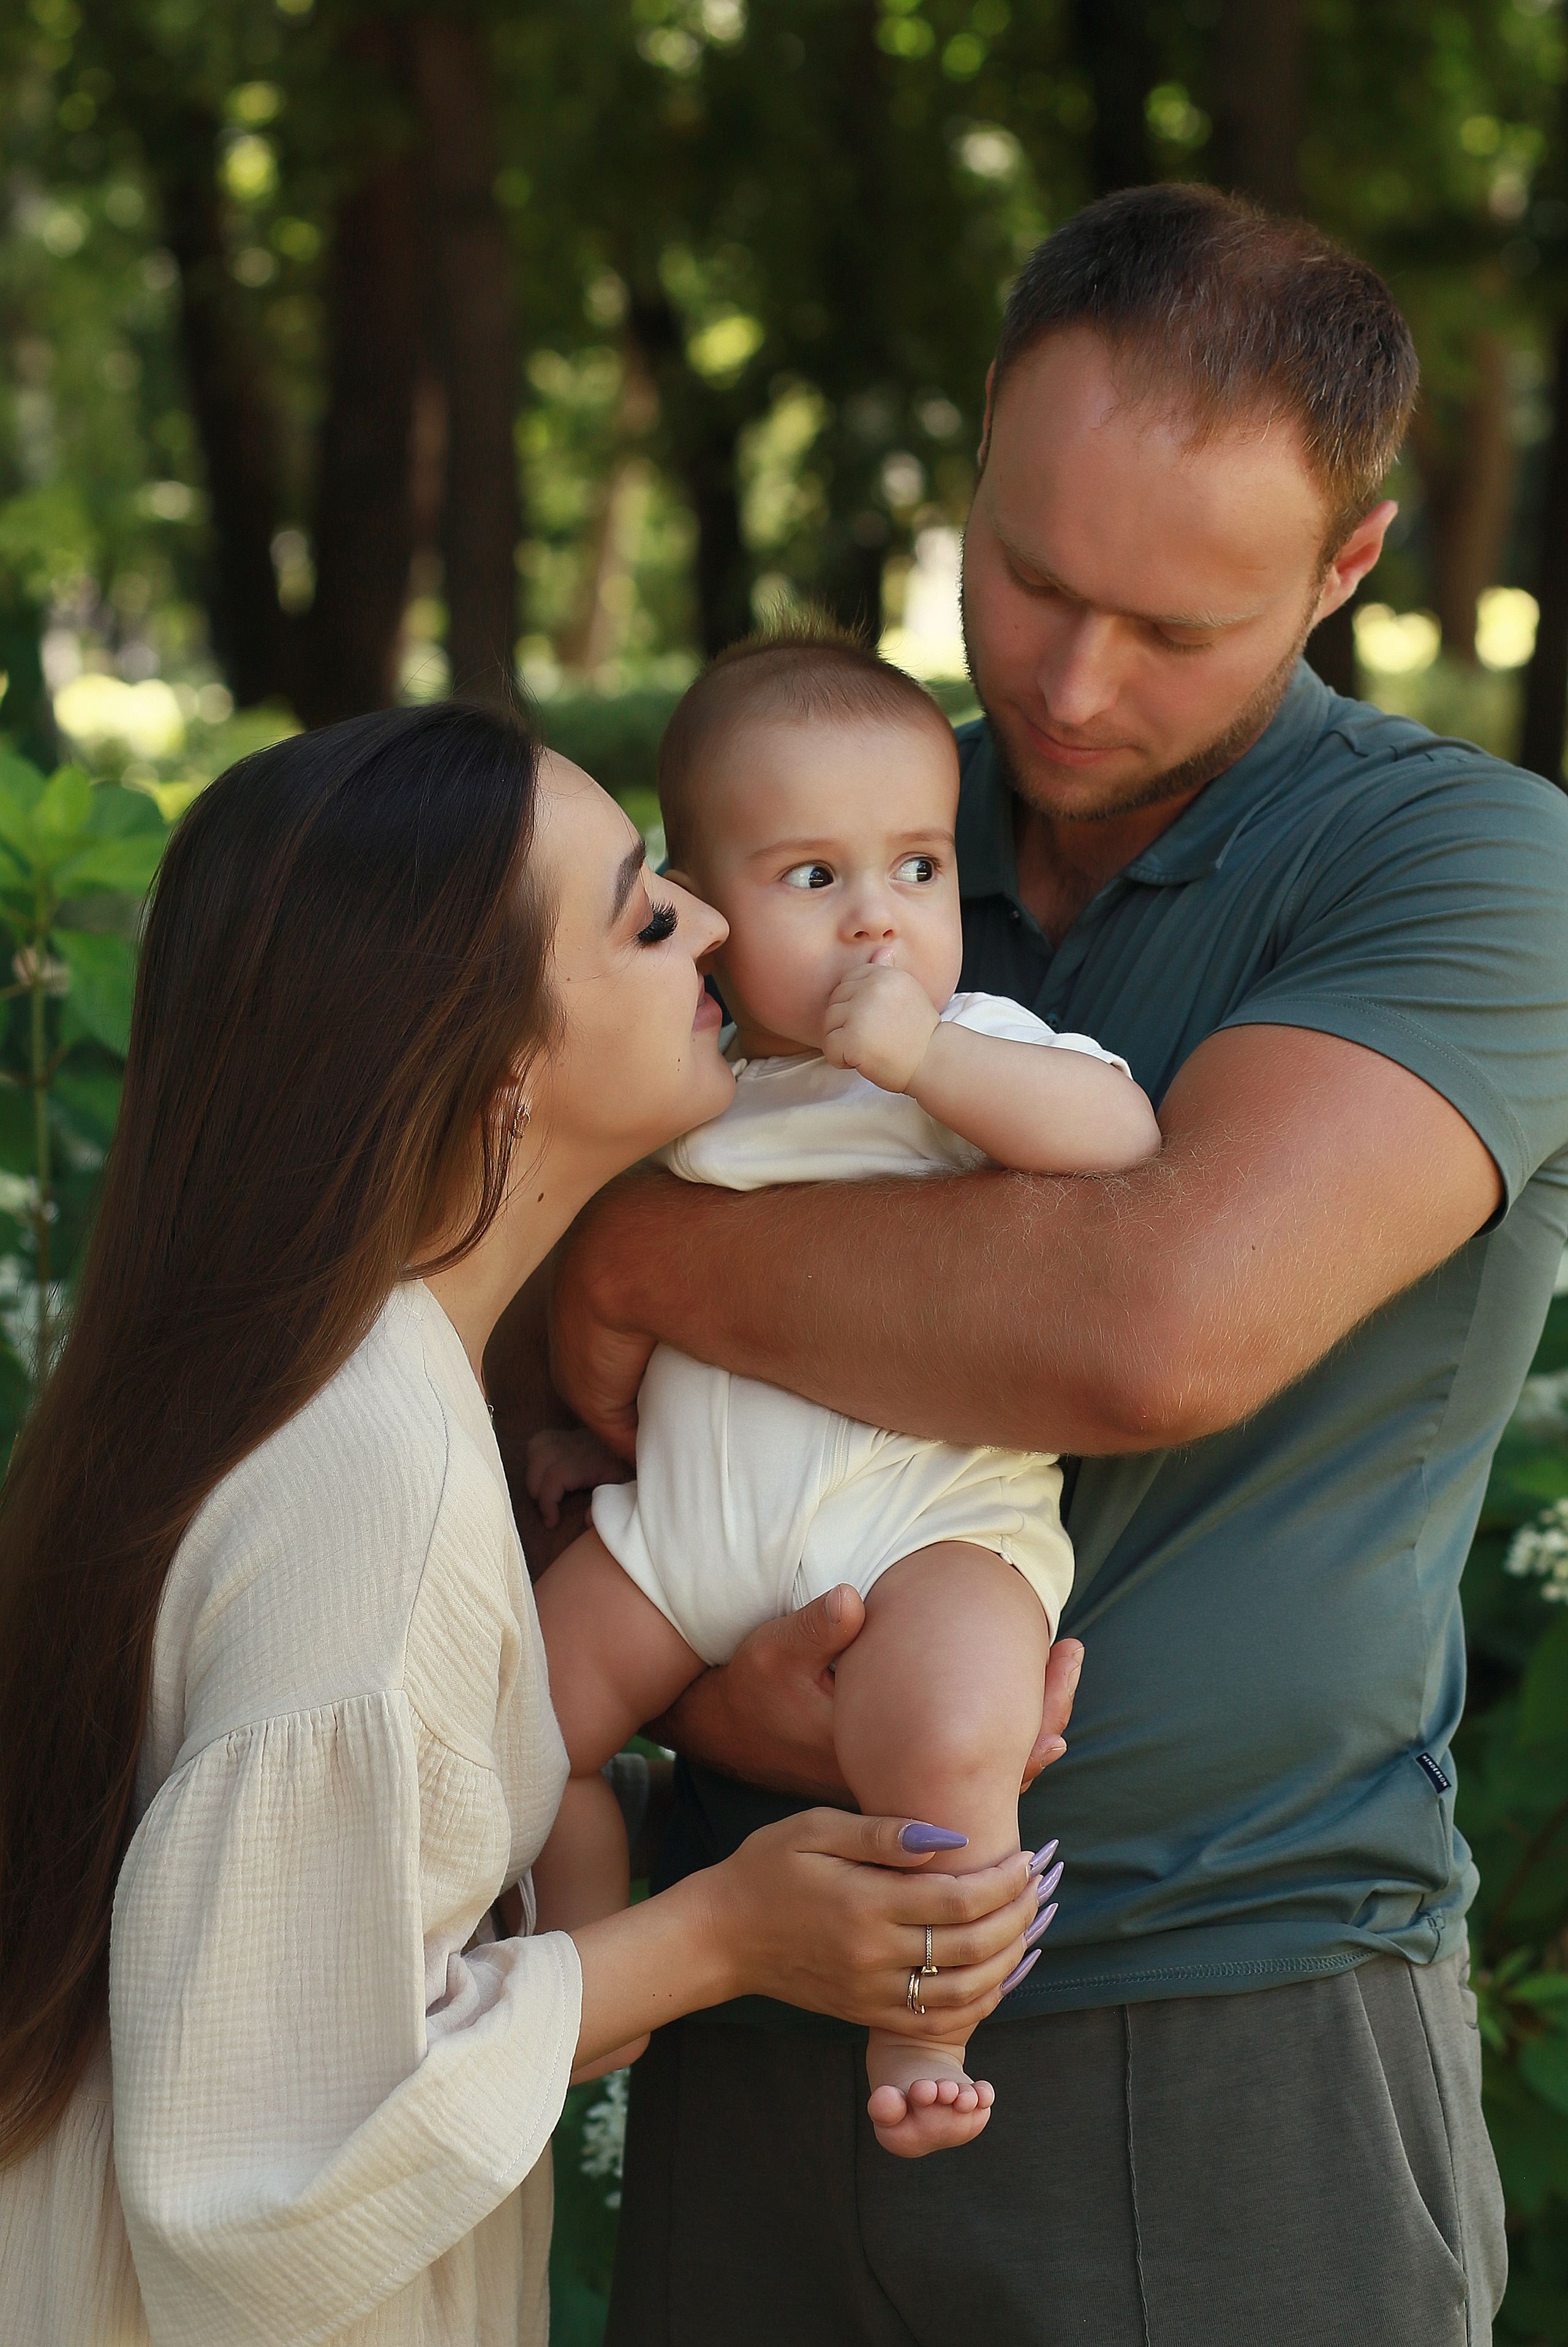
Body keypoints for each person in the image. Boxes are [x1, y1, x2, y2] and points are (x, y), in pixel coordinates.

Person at [494, 189, 1568, 2343]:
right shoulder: (825, 821)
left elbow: (1156, 1321)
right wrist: (693, 1669)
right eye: (1032, 578)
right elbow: (508, 1351)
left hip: (1229, 2015)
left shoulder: (1465, 866)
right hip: (749, 1975)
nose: (1071, 685)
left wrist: (644, 1265)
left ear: (1350, 563)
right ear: (981, 448)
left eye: (1175, 627)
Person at [0, 703, 1045, 2347]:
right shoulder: (374, 1488)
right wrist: (722, 1932)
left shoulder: (317, 1385)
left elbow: (300, 1909)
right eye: (643, 915)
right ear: (498, 1068)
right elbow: (263, 2176)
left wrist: (720, 1745)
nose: (711, 920)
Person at [524, 629, 1158, 2155]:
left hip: (926, 1521)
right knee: (521, 1716)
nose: (877, 918)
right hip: (687, 1532)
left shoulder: (970, 1050)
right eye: (812, 877)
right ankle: (581, 1968)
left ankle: (922, 2027)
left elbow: (1118, 1135)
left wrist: (927, 1060)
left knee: (951, 1734)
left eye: (917, 869)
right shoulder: (691, 1083)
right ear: (701, 911)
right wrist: (587, 1431)